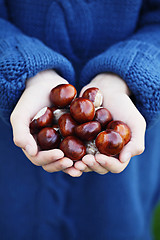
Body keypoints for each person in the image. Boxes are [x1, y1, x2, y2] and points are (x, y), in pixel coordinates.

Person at [0, 0, 160, 239]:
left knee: (117, 224)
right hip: (11, 151)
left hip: (123, 183)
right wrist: (23, 67)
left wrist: (130, 74)